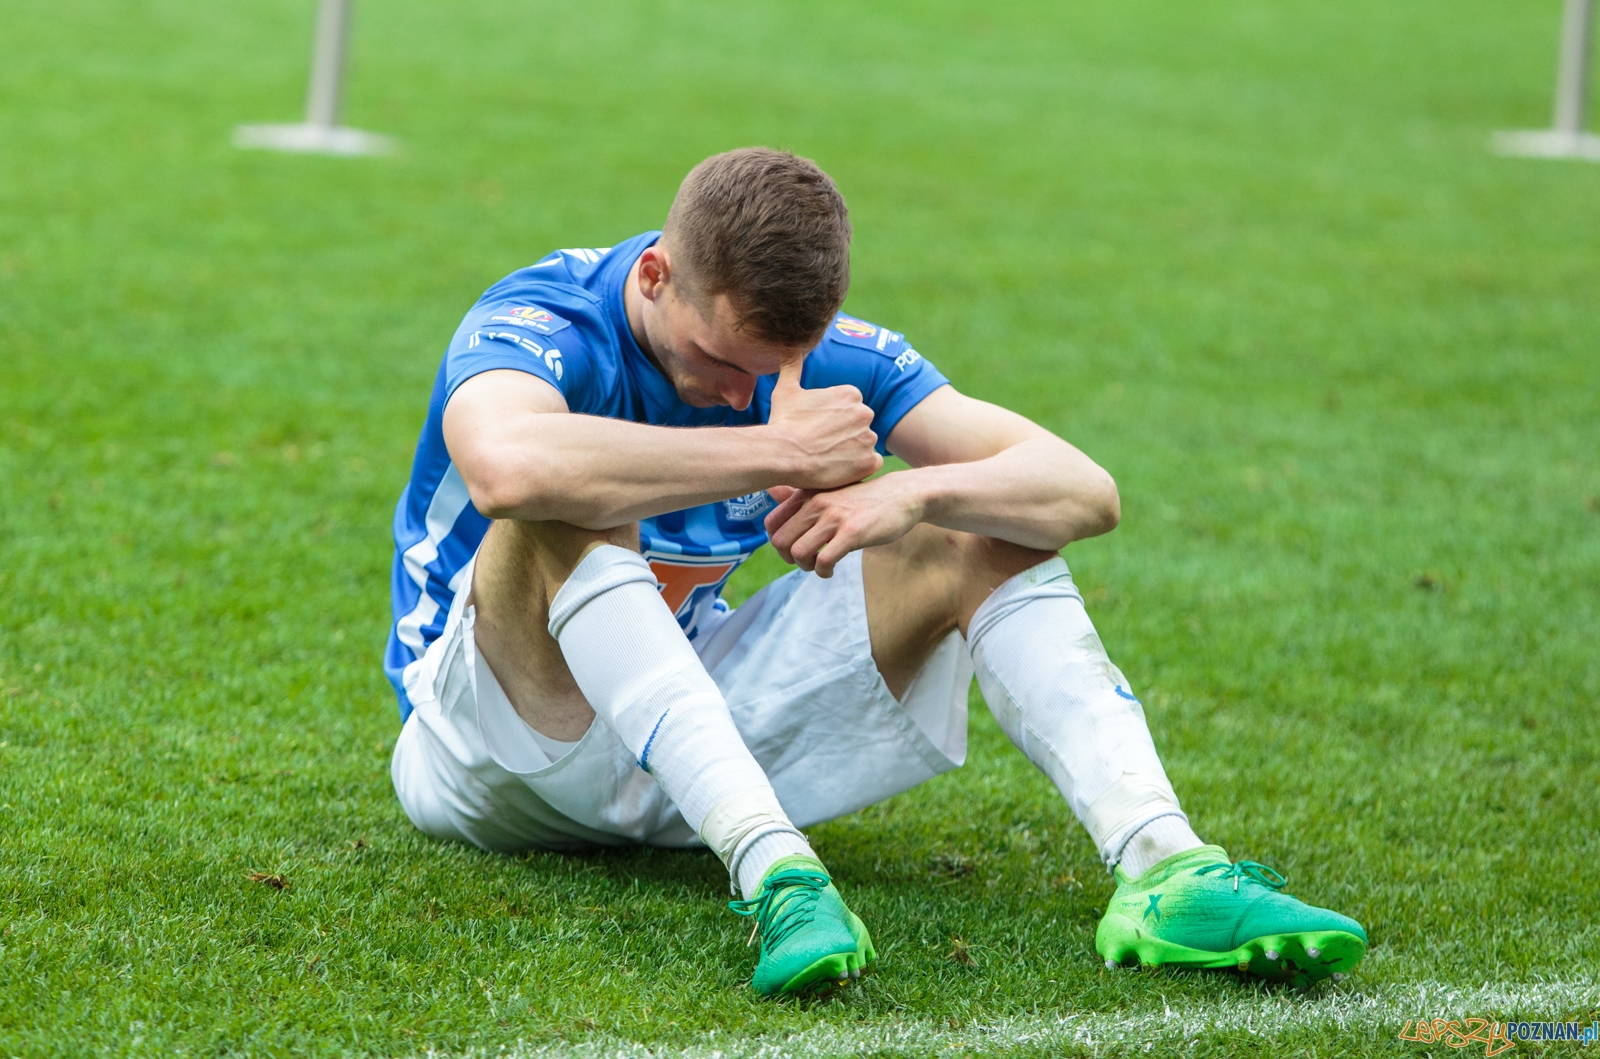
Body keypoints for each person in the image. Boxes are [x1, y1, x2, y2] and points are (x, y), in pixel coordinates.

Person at [384, 148, 1367, 996]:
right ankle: (778, 877)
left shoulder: (822, 359)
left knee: (978, 528)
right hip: (491, 749)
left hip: (685, 740)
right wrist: (777, 448)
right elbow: (506, 467)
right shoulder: (543, 317)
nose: (743, 390)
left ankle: (1166, 866)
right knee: (566, 507)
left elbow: (1084, 490)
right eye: (721, 360)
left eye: (773, 368)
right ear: (653, 275)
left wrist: (916, 495)